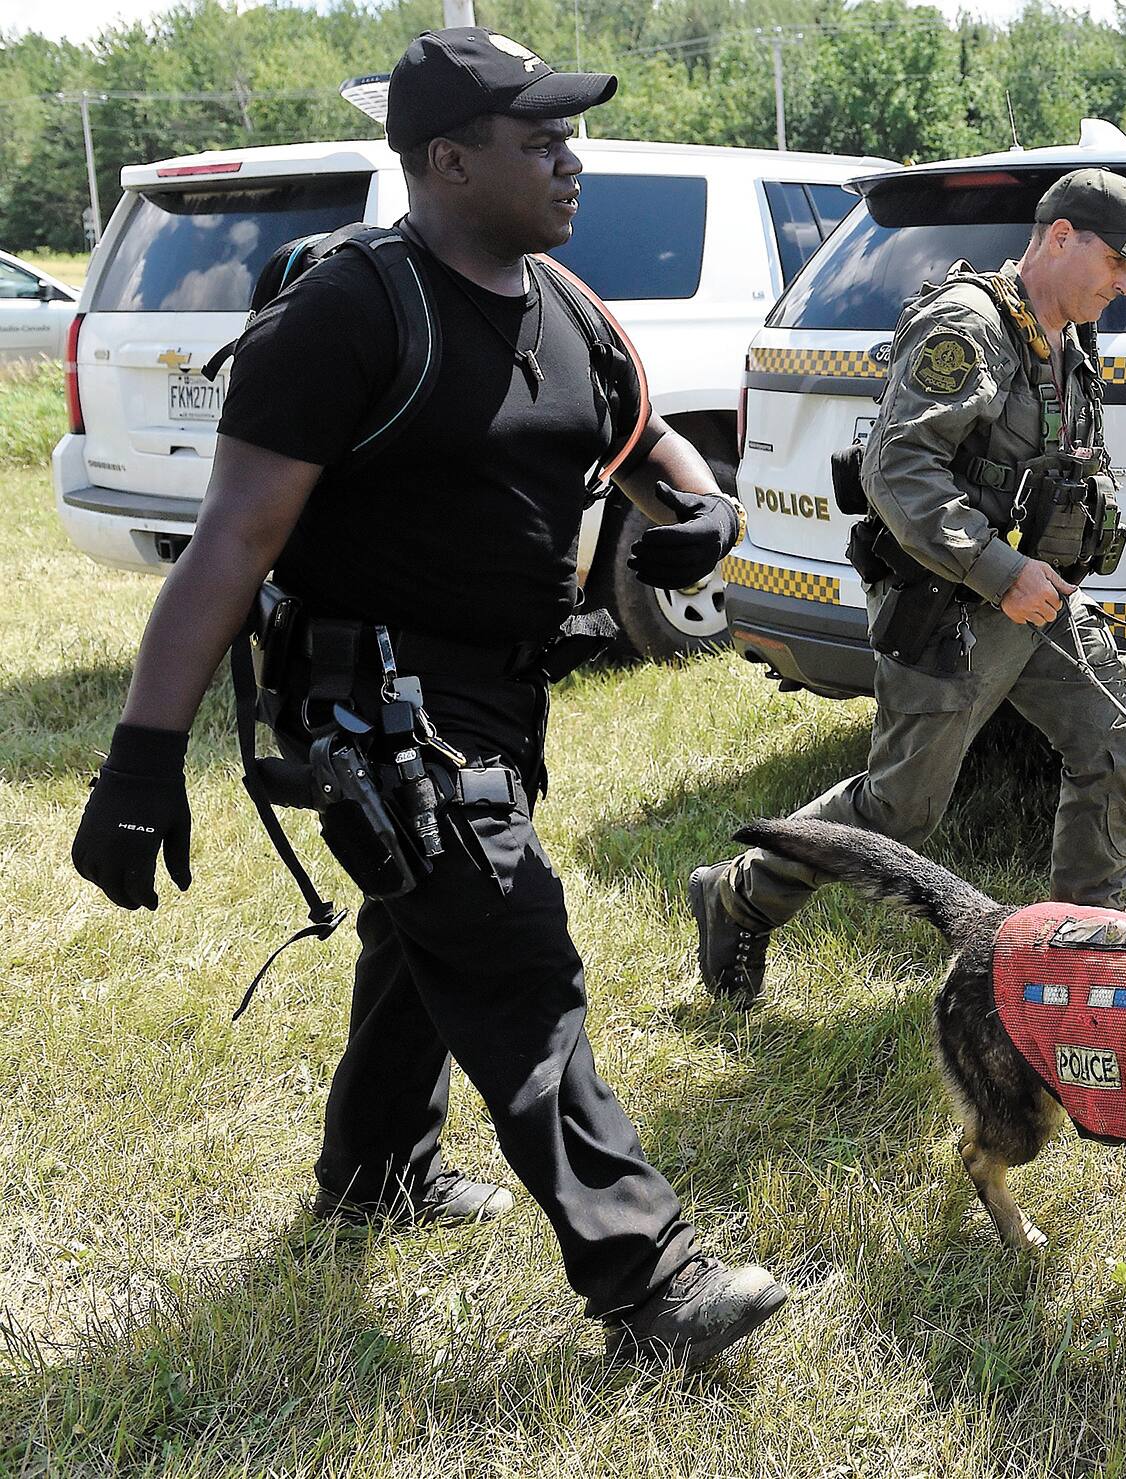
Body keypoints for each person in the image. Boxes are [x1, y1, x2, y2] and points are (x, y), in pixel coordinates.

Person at [69, 27, 785, 1367]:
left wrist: (704, 510)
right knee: (514, 952)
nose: (571, 162)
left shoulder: (568, 306)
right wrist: (140, 760)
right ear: (447, 162)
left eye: (571, 136)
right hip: (376, 706)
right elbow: (231, 542)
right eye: (540, 140)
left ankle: (375, 1173)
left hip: (500, 699)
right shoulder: (347, 313)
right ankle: (651, 1279)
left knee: (426, 930)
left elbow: (646, 440)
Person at [689, 169, 1126, 1005]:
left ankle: (1069, 967)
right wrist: (1001, 571)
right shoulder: (970, 325)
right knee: (898, 808)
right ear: (1061, 238)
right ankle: (739, 895)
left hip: (1038, 599)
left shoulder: (1068, 336)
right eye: (1118, 262)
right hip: (951, 605)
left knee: (1122, 744)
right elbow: (899, 468)